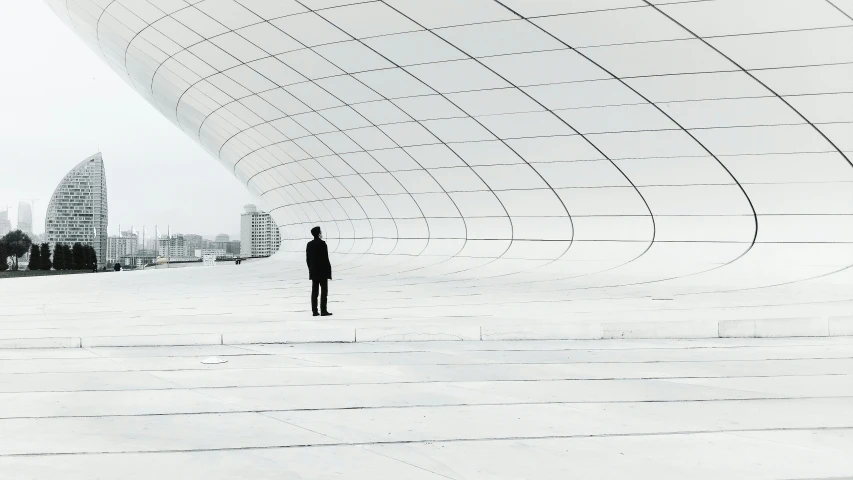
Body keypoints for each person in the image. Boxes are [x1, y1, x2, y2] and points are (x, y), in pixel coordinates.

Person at [306, 226, 332, 316]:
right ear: (319, 233)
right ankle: (323, 311)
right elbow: (326, 259)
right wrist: (329, 272)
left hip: (314, 272)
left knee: (314, 292)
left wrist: (311, 269)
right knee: (324, 292)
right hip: (323, 272)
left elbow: (308, 260)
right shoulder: (323, 244)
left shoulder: (309, 245)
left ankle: (314, 311)